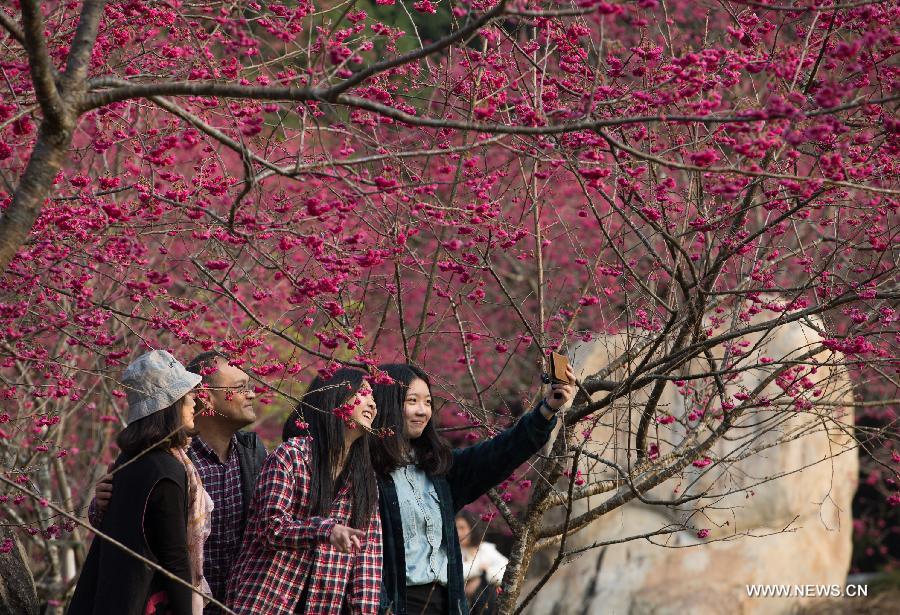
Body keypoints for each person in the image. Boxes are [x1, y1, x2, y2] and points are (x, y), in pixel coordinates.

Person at [368, 363, 575, 615]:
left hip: (447, 603)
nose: (423, 411)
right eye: (412, 401)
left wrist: (546, 410)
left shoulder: (438, 470)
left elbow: (498, 454)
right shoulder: (366, 472)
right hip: (396, 604)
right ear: (387, 403)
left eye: (428, 402)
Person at [89, 351, 267, 614]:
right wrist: (101, 504)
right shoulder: (167, 458)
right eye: (241, 388)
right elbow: (123, 528)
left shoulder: (253, 452)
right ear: (204, 396)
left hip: (241, 604)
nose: (252, 394)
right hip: (181, 603)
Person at [68, 350, 213, 615]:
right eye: (189, 397)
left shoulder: (129, 459)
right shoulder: (166, 470)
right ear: (170, 406)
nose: (195, 403)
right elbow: (175, 560)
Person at [227, 368, 383, 614]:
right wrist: (326, 530)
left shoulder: (364, 477)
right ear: (335, 399)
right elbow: (272, 528)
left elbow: (368, 560)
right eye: (363, 393)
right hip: (267, 602)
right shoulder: (290, 456)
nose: (373, 404)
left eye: (374, 397)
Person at [455, 511, 506, 615]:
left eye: (462, 528)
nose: (458, 533)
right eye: (456, 529)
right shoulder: (452, 552)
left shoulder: (485, 548)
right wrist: (480, 569)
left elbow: (505, 568)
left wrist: (484, 575)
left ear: (471, 528)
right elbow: (455, 572)